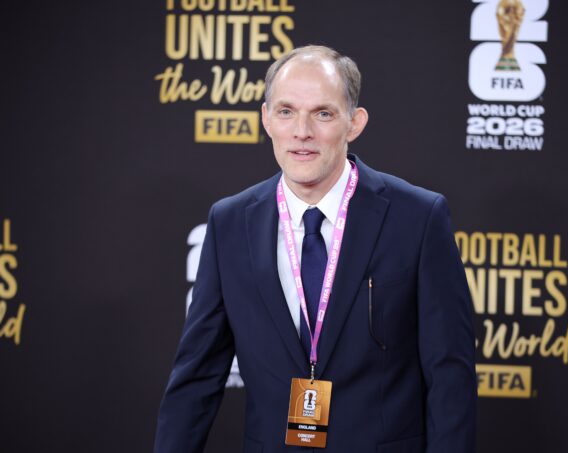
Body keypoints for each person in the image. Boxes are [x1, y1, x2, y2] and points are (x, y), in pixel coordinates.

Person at [154, 45, 477, 453]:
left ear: (354, 123)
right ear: (266, 118)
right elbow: (197, 377)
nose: (301, 131)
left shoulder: (418, 218)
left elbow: (450, 375)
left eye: (322, 113)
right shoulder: (230, 223)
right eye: (286, 111)